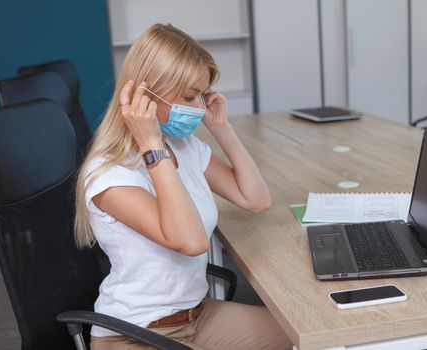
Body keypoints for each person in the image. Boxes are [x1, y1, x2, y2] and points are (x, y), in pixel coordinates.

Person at [74, 23, 292, 350]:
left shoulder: (182, 146)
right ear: (145, 96)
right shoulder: (109, 174)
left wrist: (221, 128)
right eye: (190, 96)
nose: (199, 107)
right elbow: (189, 241)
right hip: (135, 333)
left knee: (304, 338)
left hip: (197, 317)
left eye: (203, 96)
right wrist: (150, 145)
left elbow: (255, 199)